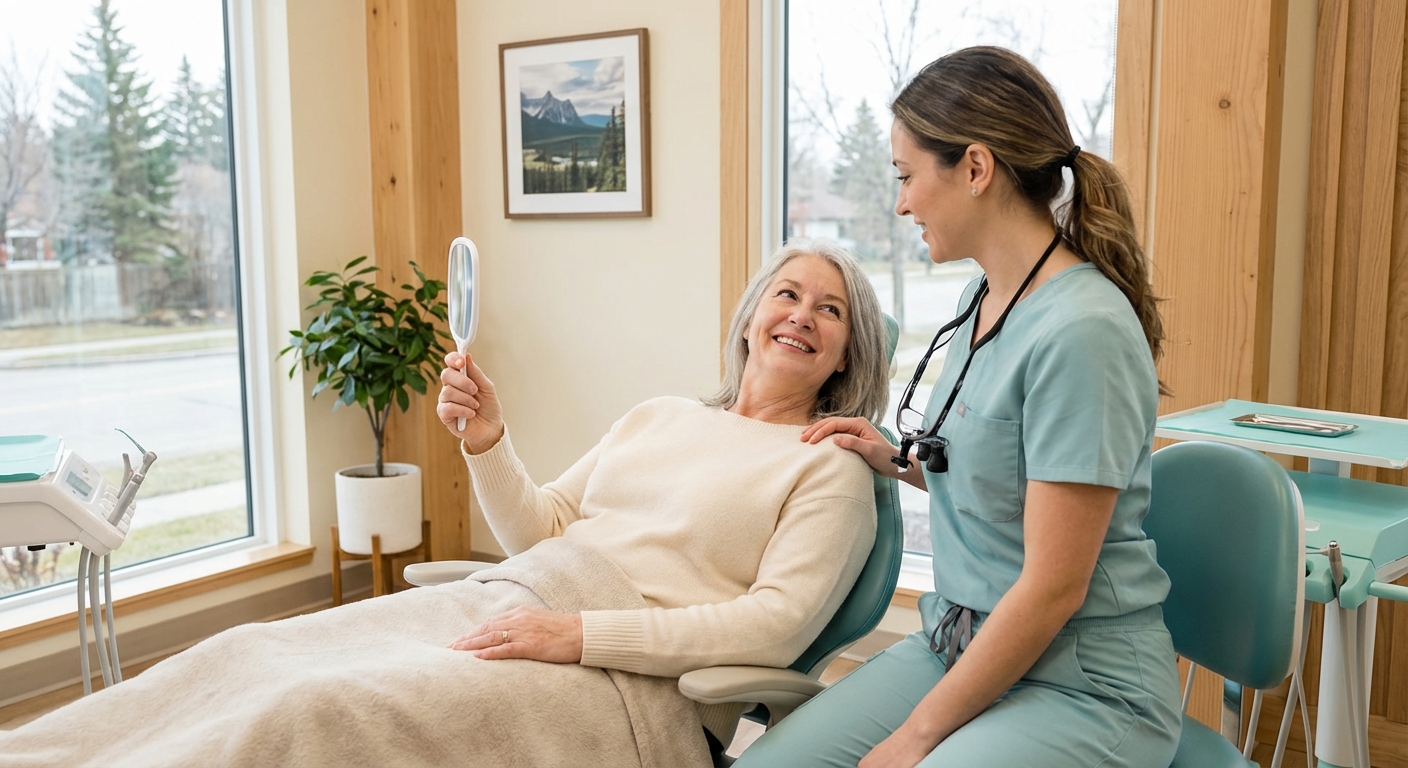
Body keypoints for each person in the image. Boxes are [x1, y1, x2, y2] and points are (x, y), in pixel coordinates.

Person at [0, 241, 889, 768]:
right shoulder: (661, 416)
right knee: (248, 653)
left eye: (831, 311)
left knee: (313, 712)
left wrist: (577, 636)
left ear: (849, 354)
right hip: (514, 601)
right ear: (749, 315)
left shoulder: (829, 468)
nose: (801, 315)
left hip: (623, 684)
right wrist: (487, 441)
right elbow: (541, 529)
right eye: (787, 292)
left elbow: (772, 629)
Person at [735, 47, 1181, 768]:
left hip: (1081, 684)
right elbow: (1001, 474)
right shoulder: (985, 298)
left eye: (907, 176)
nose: (902, 202)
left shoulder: (1082, 333)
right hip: (959, 643)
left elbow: (1052, 587)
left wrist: (913, 738)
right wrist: (897, 460)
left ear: (975, 169)